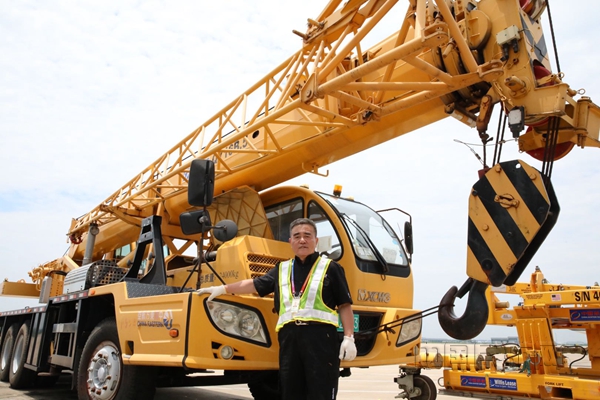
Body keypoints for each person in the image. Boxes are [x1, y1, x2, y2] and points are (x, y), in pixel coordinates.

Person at [197, 217, 356, 400]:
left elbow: (344, 305)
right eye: (297, 236)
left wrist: (349, 337)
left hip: (321, 339)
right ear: (290, 241)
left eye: (307, 236)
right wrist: (223, 289)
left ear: (316, 240)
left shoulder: (331, 268)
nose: (302, 240)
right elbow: (255, 284)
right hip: (289, 340)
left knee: (321, 391)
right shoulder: (282, 269)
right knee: (290, 392)